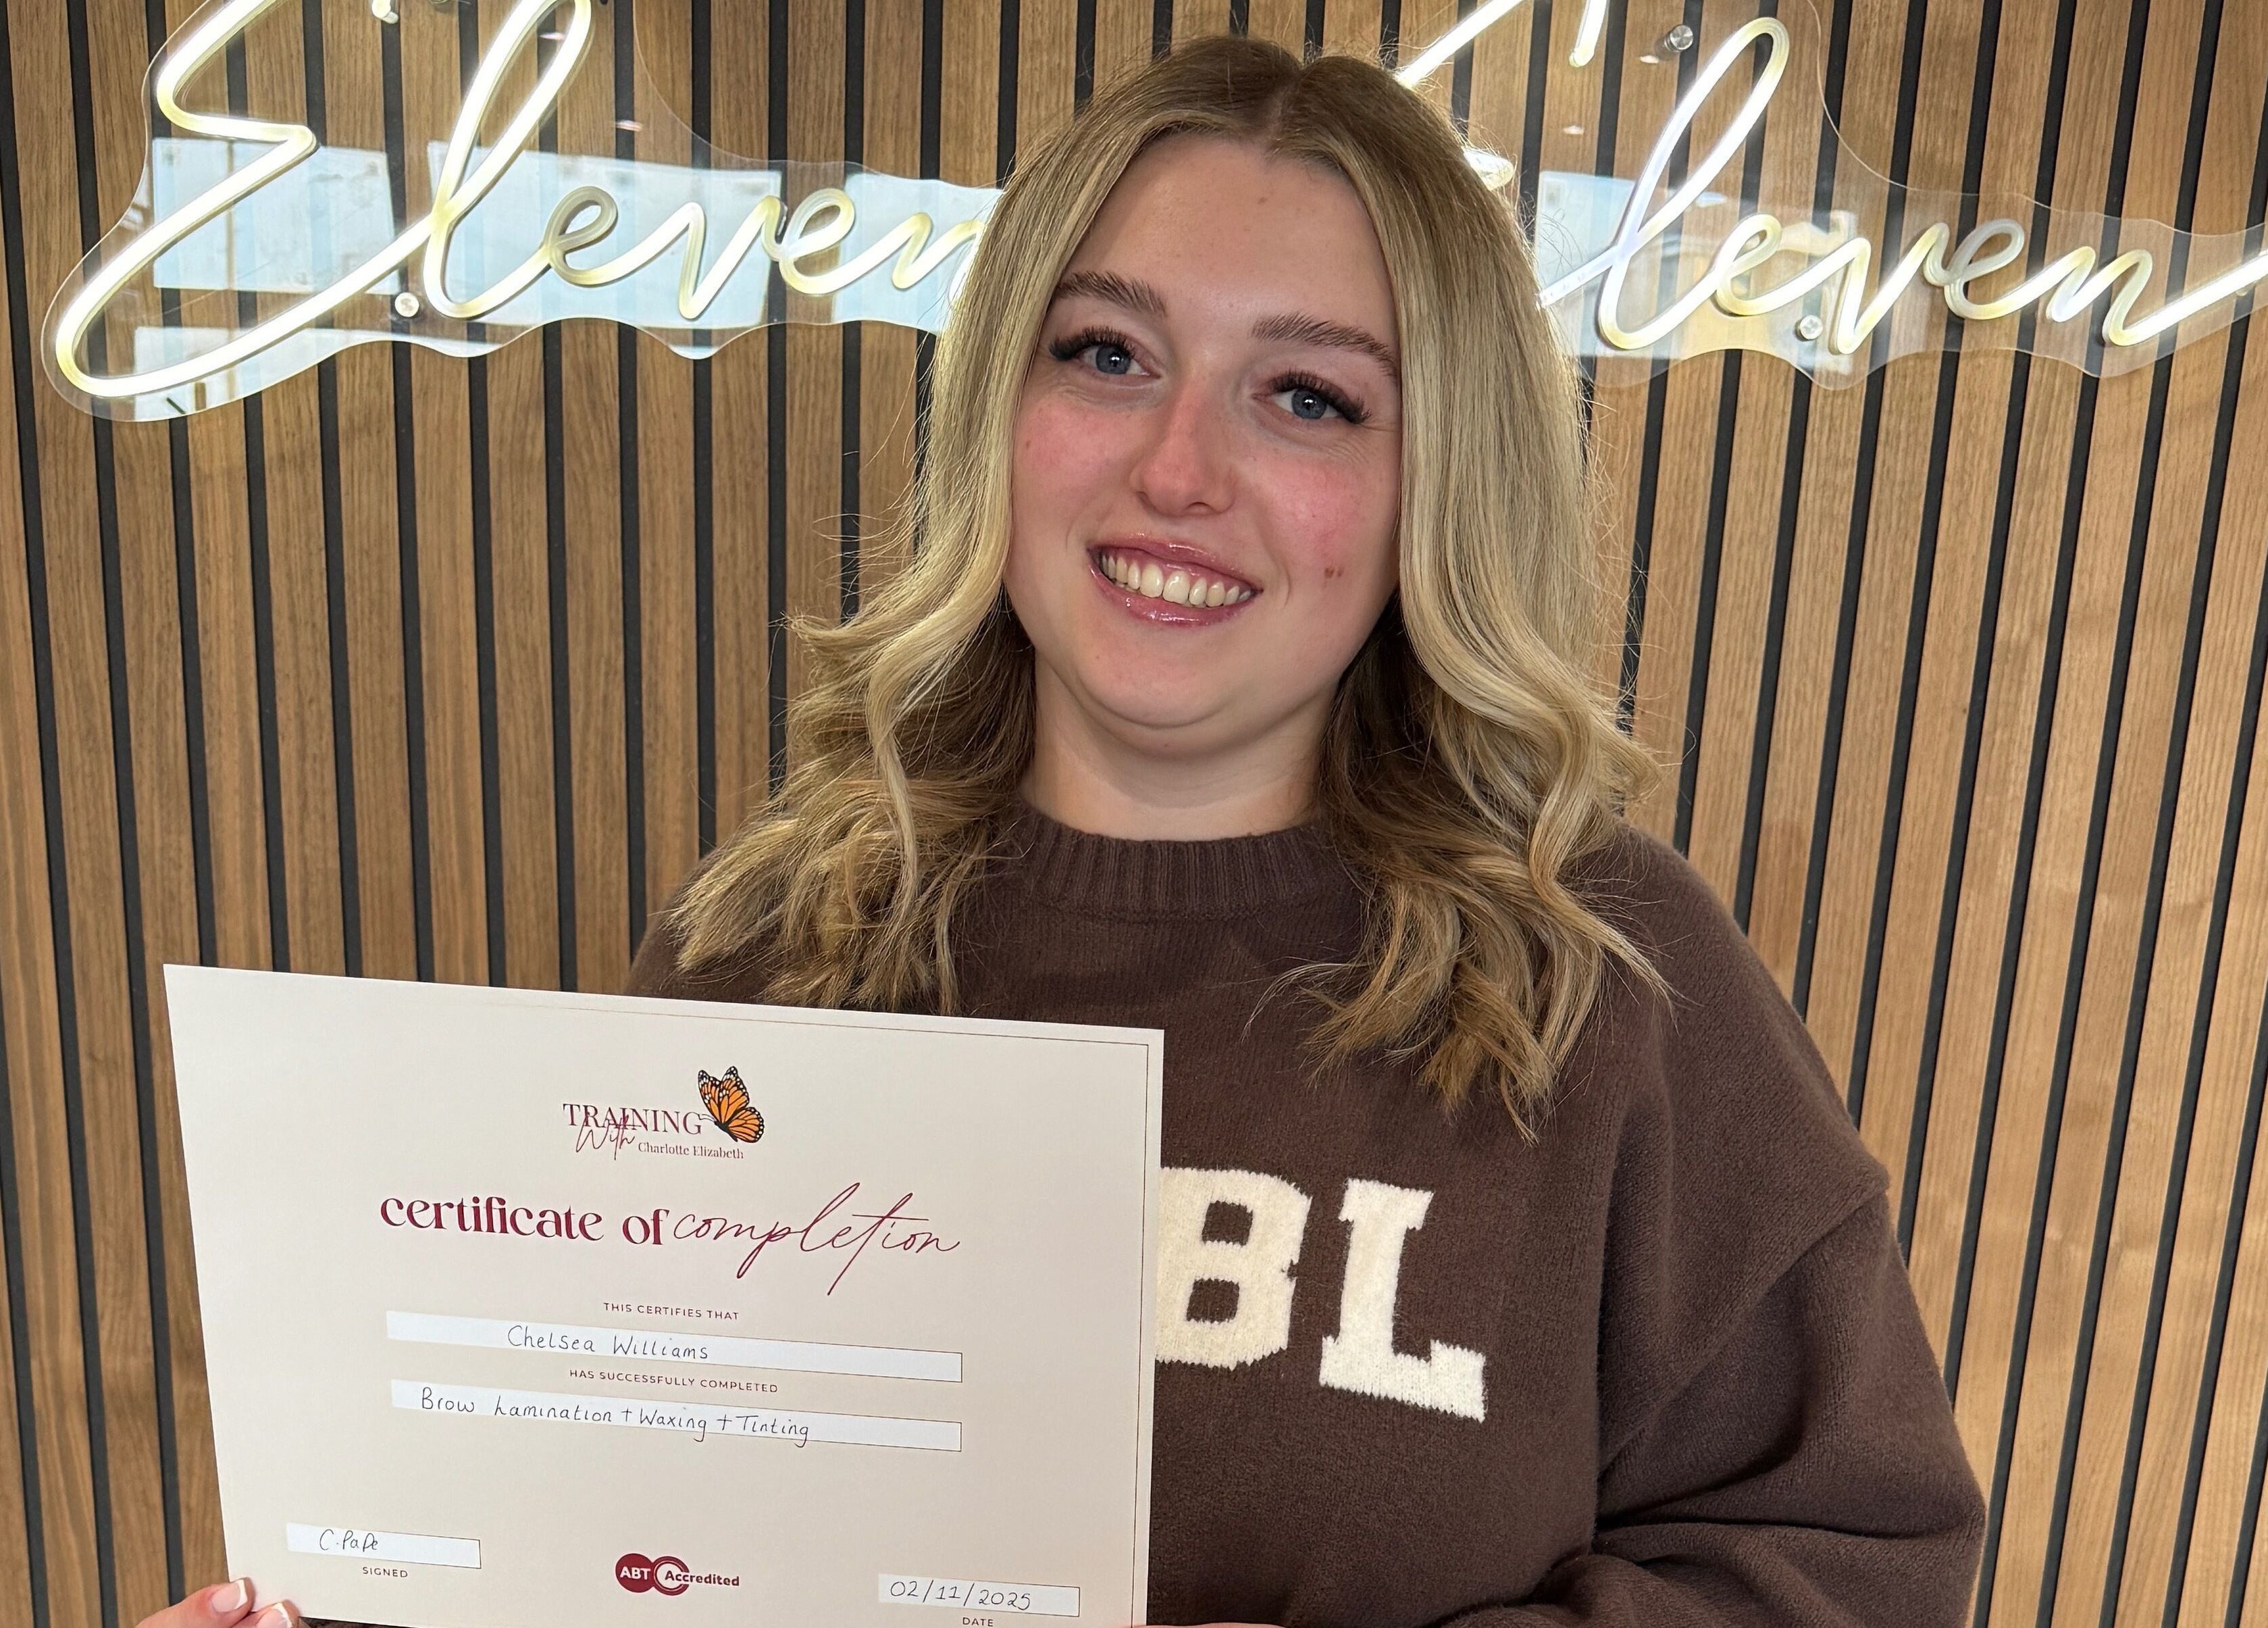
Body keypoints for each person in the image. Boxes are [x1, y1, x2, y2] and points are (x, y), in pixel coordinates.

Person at [138, 32, 1985, 1628]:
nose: (1178, 467)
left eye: (1307, 394)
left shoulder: (1607, 979)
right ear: (997, 407)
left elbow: (1853, 1563)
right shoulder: (774, 955)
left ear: (1438, 482)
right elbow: (615, 1560)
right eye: (1107, 355)